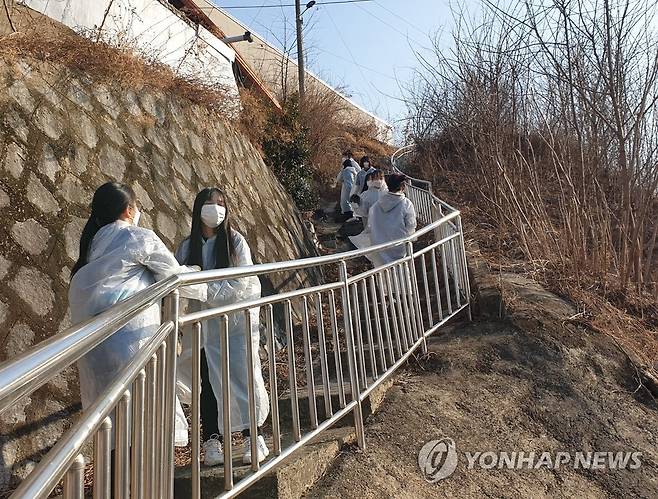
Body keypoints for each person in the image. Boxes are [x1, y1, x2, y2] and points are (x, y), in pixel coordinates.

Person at [69, 182, 206, 448]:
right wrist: (202, 276)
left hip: (96, 357)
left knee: (113, 435)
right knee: (147, 432)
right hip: (133, 349)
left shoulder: (89, 251)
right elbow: (175, 276)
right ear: (129, 210)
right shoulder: (137, 238)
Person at [175, 187, 270, 466]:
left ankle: (254, 436)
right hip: (202, 331)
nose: (216, 208)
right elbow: (176, 282)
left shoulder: (234, 241)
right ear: (197, 208)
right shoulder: (186, 247)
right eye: (209, 203)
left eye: (221, 204)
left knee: (243, 378)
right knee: (206, 385)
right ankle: (212, 441)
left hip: (234, 326)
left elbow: (245, 285)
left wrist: (203, 288)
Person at [368, 173, 417, 266]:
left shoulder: (376, 205)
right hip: (399, 246)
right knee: (402, 274)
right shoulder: (406, 204)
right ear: (403, 187)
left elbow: (370, 225)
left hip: (379, 247)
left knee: (383, 276)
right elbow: (411, 226)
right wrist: (411, 239)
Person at [336, 157, 359, 222]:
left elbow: (338, 179)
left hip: (345, 189)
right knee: (353, 204)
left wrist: (341, 170)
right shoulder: (355, 171)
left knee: (345, 203)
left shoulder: (344, 171)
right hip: (354, 189)